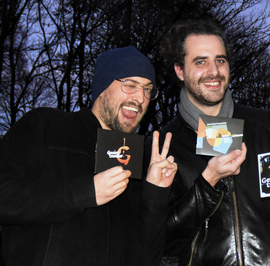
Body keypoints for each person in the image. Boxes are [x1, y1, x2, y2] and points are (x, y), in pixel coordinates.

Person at [0, 46, 177, 265]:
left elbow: (148, 257)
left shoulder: (136, 161)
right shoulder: (46, 126)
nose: (141, 98)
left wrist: (155, 195)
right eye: (130, 85)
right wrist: (85, 192)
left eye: (148, 89)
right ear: (103, 87)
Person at [147, 19, 270, 265]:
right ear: (180, 71)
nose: (214, 71)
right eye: (200, 61)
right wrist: (208, 182)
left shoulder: (267, 126)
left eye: (220, 60)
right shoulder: (163, 145)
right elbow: (161, 240)